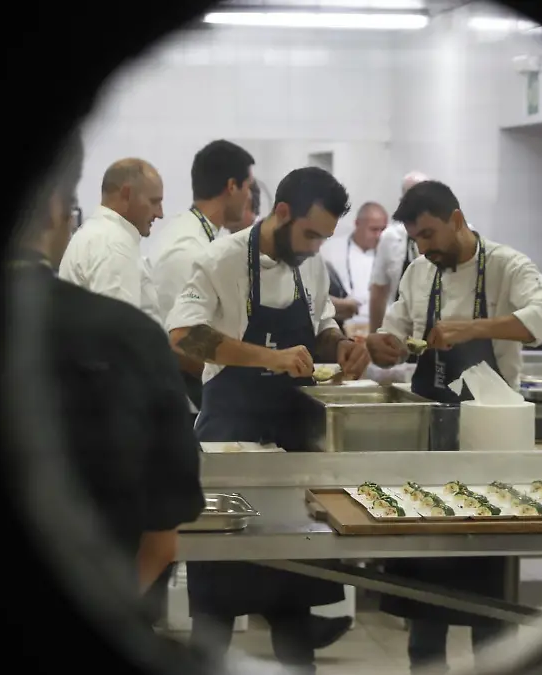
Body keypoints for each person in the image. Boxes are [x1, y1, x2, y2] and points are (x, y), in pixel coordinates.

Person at [165, 166, 370, 674]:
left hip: (291, 446)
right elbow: (183, 336)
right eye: (311, 233)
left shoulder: (313, 267)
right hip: (229, 444)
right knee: (216, 603)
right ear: (282, 212)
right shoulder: (222, 259)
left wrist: (342, 345)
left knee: (292, 600)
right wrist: (268, 357)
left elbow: (321, 325)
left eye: (326, 236)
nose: (318, 245)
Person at [3, 132, 206, 645]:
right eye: (155, 200)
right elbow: (161, 539)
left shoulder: (101, 239)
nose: (162, 212)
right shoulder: (114, 255)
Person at [364, 181, 542, 674]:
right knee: (425, 587)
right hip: (430, 439)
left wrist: (474, 327)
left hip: (492, 446)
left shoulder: (505, 265)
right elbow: (395, 327)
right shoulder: (419, 270)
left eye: (431, 234)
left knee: (487, 593)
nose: (426, 248)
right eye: (417, 240)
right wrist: (383, 343)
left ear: (457, 219)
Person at [147, 140, 256, 410]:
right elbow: (183, 343)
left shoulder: (203, 238)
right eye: (248, 187)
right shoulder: (186, 248)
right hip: (181, 401)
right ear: (232, 187)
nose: (250, 197)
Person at [58, 158, 165, 321]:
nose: (160, 213)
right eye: (154, 202)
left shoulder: (99, 235)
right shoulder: (114, 245)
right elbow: (119, 334)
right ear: (127, 194)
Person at [368, 170, 428, 333]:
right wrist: (374, 335)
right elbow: (379, 291)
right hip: (397, 328)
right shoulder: (390, 237)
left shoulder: (444, 235)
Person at [321, 201, 388, 333]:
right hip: (344, 325)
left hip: (383, 326)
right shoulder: (330, 250)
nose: (379, 235)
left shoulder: (391, 253)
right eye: (374, 229)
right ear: (357, 224)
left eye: (383, 229)